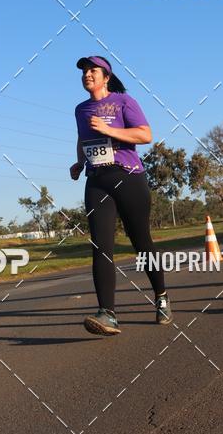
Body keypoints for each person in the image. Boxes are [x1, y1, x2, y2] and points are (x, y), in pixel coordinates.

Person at [70, 55, 171, 335]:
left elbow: (145, 135)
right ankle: (107, 314)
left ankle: (161, 295)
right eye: (84, 72)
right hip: (97, 180)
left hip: (127, 176)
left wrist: (109, 129)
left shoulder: (124, 101)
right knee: (100, 246)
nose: (87, 75)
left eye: (92, 71)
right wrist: (79, 162)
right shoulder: (80, 109)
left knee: (142, 243)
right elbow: (83, 138)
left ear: (106, 76)